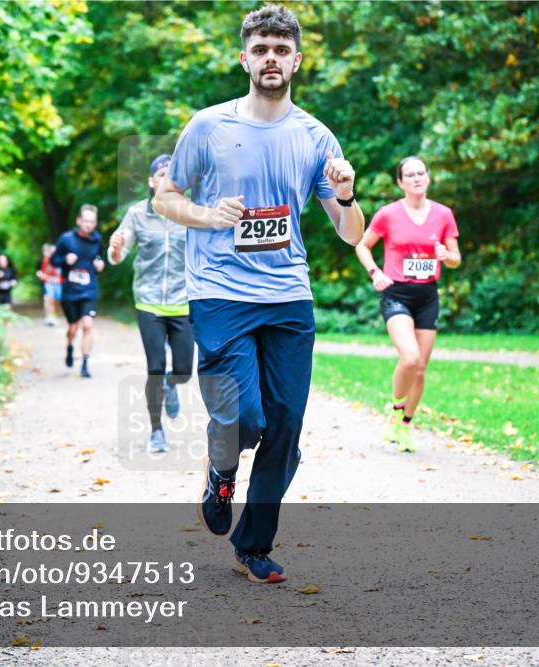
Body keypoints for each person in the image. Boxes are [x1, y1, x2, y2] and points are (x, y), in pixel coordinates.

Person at [153, 5, 364, 584]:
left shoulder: (316, 136)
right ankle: (221, 471)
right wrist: (205, 214)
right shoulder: (208, 125)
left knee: (287, 425)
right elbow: (164, 199)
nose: (271, 58)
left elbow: (352, 235)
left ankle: (254, 545)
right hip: (219, 293)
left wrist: (346, 195)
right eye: (261, 48)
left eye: (281, 48)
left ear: (297, 59)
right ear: (243, 57)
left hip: (289, 295)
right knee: (244, 417)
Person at [354, 156, 461, 453]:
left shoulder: (443, 215)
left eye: (421, 173)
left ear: (428, 178)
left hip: (427, 295)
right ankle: (396, 407)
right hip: (396, 293)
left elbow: (456, 258)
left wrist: (446, 256)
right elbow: (362, 245)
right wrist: (375, 272)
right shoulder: (388, 214)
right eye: (410, 175)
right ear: (401, 182)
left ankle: (405, 423)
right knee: (410, 358)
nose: (416, 178)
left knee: (421, 369)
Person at [108, 154, 195, 454]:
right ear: (151, 181)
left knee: (184, 370)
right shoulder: (136, 214)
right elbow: (118, 254)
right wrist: (115, 248)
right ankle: (156, 430)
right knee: (155, 367)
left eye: (172, 175)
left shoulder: (190, 213)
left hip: (183, 303)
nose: (166, 179)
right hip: (149, 303)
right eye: (161, 174)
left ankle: (174, 384)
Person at [52, 205, 105, 378]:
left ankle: (85, 363)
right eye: (86, 221)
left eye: (92, 221)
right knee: (73, 328)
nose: (89, 224)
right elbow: (54, 260)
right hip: (70, 291)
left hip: (89, 289)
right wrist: (65, 259)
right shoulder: (66, 239)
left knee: (88, 325)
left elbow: (100, 258)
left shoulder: (97, 240)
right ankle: (69, 347)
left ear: (95, 223)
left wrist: (100, 265)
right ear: (79, 221)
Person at [36, 243, 63, 326]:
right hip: (48, 282)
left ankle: (55, 315)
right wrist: (39, 274)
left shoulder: (60, 259)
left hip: (59, 283)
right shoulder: (43, 260)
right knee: (48, 299)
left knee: (58, 300)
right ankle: (49, 317)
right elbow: (39, 270)